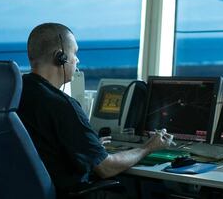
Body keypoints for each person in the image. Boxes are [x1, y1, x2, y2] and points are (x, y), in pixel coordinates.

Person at [17, 23, 171, 196]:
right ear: (60, 57)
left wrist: (90, 147)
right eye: (74, 53)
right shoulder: (62, 106)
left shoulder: (16, 94)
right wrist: (148, 147)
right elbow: (107, 168)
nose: (77, 60)